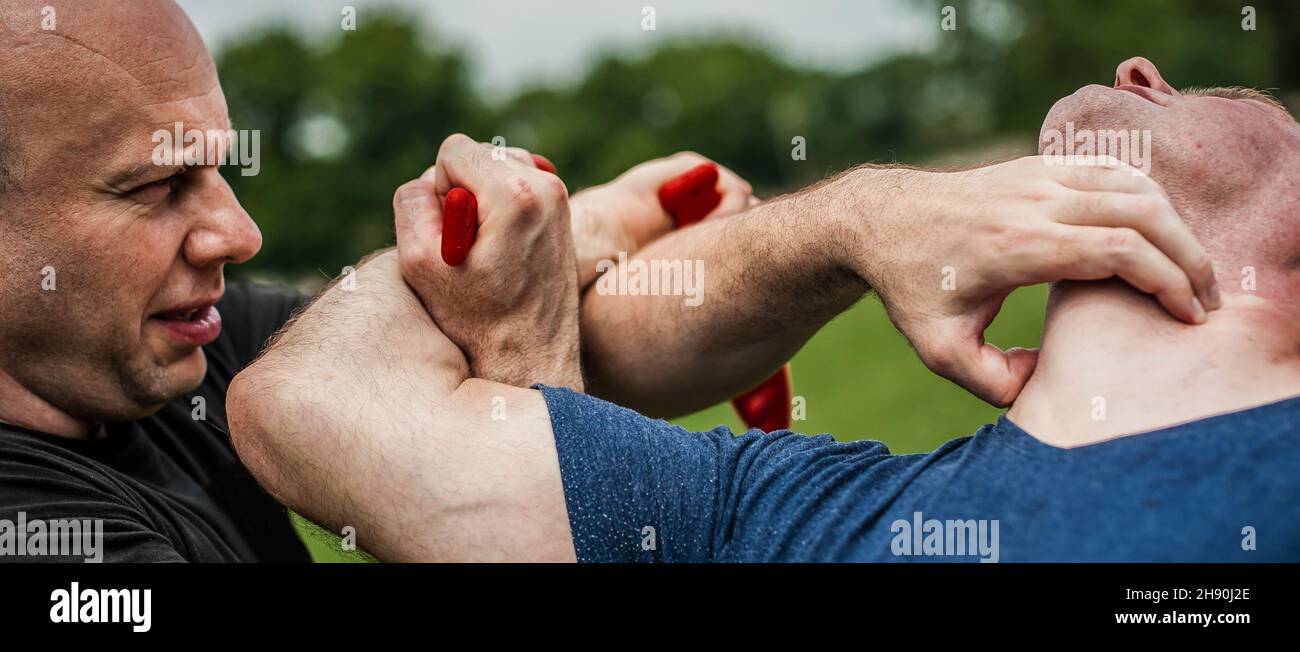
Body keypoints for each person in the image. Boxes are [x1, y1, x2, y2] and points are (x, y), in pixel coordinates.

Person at [223, 56, 1284, 562]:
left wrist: (561, 264)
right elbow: (303, 400)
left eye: (1241, 102)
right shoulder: (788, 512)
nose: (1140, 69)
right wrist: (852, 221)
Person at [0, 0, 754, 562]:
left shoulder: (181, 351)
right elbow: (494, 323)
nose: (239, 233)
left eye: (216, 169)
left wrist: (807, 247)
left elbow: (453, 311)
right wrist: (528, 367)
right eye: (158, 185)